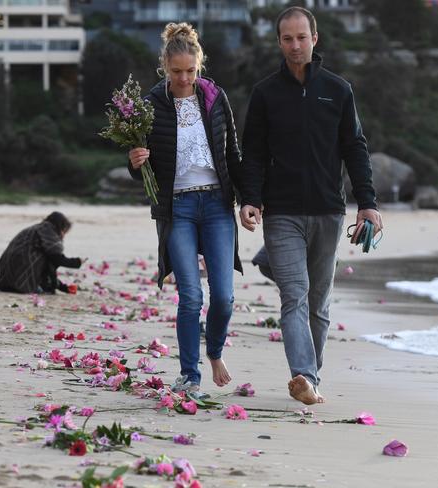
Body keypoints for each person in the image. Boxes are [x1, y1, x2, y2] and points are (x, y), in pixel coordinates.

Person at [239, 7, 383, 405]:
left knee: (318, 304)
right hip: (282, 211)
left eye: (302, 37)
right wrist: (249, 199)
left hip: (328, 211)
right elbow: (252, 152)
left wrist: (366, 203)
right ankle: (303, 375)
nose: (295, 45)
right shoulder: (266, 93)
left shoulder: (338, 90)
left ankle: (311, 380)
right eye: (288, 39)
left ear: (315, 39)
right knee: (297, 295)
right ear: (279, 42)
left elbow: (355, 148)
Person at [128, 23, 242, 394]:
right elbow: (139, 171)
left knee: (223, 297)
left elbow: (233, 154)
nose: (184, 78)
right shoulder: (149, 105)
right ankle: (190, 375)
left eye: (190, 71)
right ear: (164, 65)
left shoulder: (214, 97)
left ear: (199, 65)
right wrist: (135, 161)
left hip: (216, 205)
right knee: (191, 296)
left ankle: (215, 351)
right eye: (176, 71)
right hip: (177, 209)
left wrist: (250, 199)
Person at [0, 212, 83, 294]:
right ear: (60, 227)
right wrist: (77, 262)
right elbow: (56, 259)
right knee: (44, 291)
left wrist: (63, 287)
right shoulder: (48, 231)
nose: (63, 236)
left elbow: (47, 264)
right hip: (19, 283)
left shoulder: (35, 230)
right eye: (64, 231)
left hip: (4, 281)